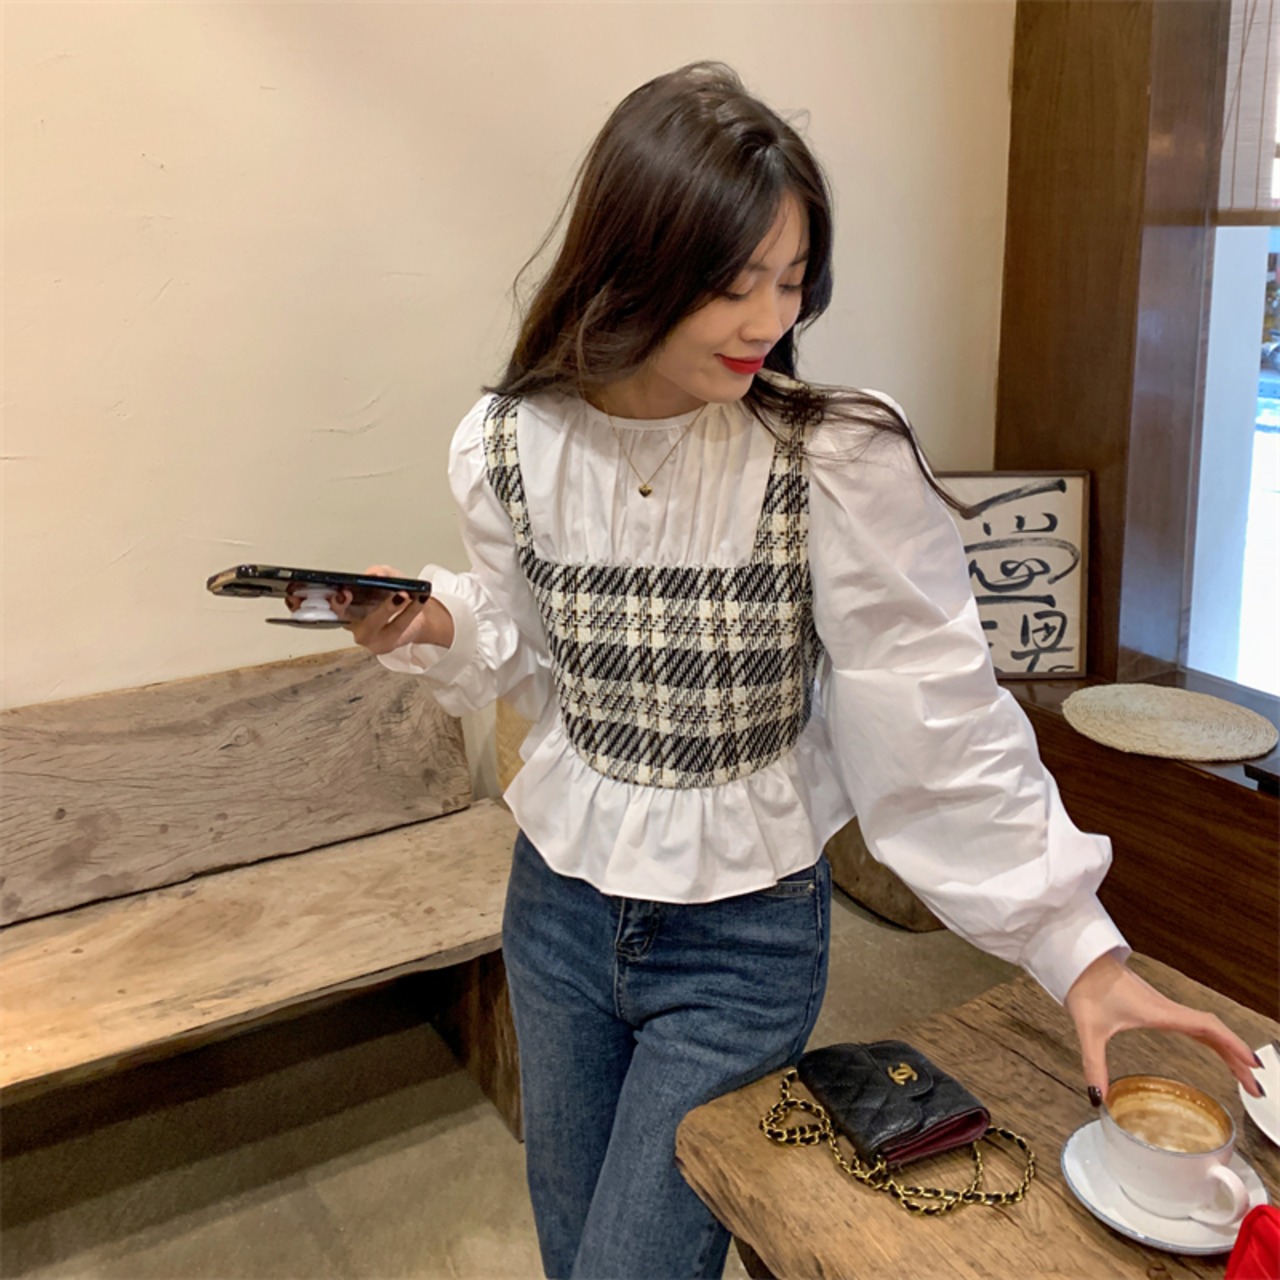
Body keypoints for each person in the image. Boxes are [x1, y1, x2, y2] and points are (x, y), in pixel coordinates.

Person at [316, 63, 1264, 1280]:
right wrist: (430, 620)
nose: (767, 317)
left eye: (791, 276)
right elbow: (529, 638)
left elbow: (932, 712)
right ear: (632, 262)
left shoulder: (827, 455)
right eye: (731, 283)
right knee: (570, 1243)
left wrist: (1075, 946)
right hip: (554, 909)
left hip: (742, 936)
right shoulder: (505, 439)